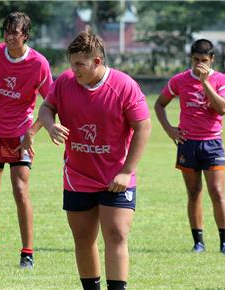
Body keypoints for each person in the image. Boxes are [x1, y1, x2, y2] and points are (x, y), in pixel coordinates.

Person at [39, 26, 151, 290]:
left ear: (97, 62)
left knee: (116, 234)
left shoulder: (124, 86)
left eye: (80, 64)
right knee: (83, 238)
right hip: (78, 176)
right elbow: (46, 107)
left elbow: (143, 127)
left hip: (116, 176)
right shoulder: (66, 82)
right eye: (72, 64)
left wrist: (127, 170)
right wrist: (50, 125)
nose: (74, 70)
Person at [0, 11, 53, 268]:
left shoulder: (39, 63)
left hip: (19, 135)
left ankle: (27, 253)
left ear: (25, 35)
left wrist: (33, 131)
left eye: (14, 33)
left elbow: (52, 102)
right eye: (6, 31)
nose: (8, 37)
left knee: (20, 190)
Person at [154, 39, 225, 255]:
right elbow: (159, 104)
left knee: (217, 192)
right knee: (193, 192)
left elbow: (222, 108)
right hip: (188, 144)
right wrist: (169, 129)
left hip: (212, 144)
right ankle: (198, 242)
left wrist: (205, 82)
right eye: (196, 60)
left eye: (204, 60)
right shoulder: (179, 80)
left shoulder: (222, 80)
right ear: (190, 58)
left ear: (212, 60)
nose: (200, 64)